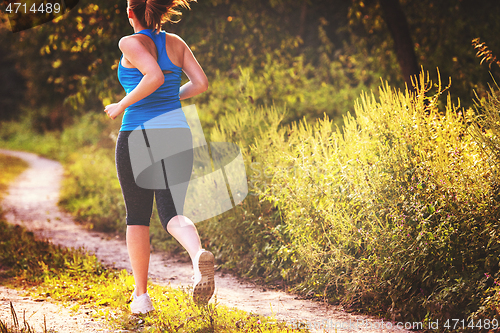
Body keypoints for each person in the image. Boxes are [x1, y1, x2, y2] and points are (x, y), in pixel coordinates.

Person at [104, 0, 214, 314]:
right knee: (172, 213)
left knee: (138, 217)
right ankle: (198, 258)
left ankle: (141, 297)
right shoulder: (176, 43)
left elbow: (152, 76)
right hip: (177, 133)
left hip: (138, 134)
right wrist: (172, 97)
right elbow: (201, 83)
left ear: (130, 12)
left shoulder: (130, 42)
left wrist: (121, 105)